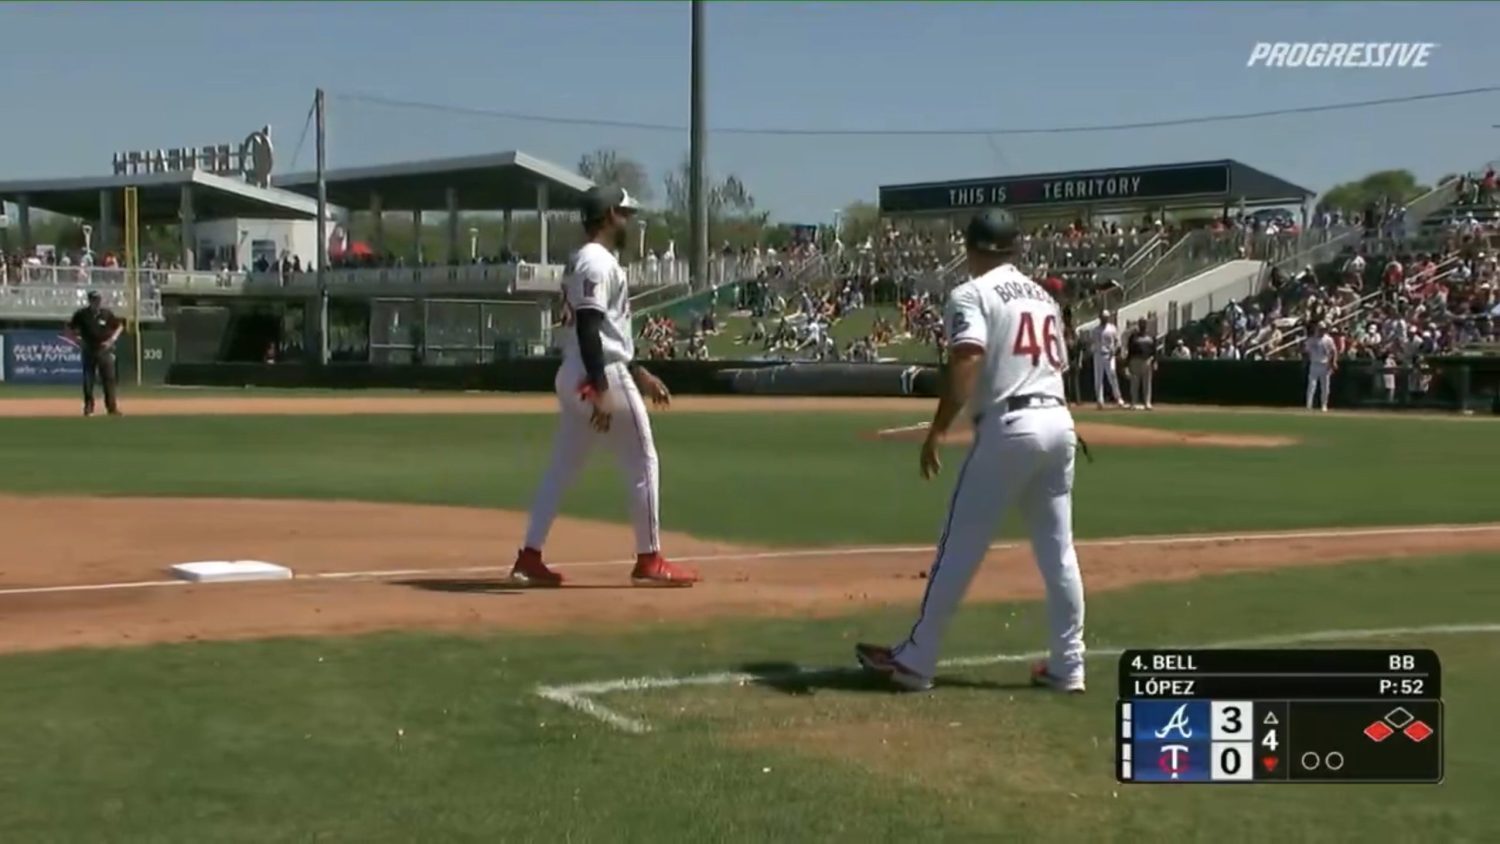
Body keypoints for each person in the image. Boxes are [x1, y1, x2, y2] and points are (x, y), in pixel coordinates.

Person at [855, 209, 1087, 694]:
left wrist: (938, 428)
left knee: (959, 545)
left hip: (1012, 427)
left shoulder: (972, 292)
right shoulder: (1043, 296)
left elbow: (968, 356)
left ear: (972, 247)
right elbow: (1058, 360)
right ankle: (1069, 666)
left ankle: (916, 661)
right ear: (1015, 249)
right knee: (1059, 553)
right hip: (1058, 419)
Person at [508, 186, 698, 588]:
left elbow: (603, 329)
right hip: (598, 371)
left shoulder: (586, 261)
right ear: (610, 214)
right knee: (643, 462)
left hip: (578, 370)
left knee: (561, 469)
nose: (628, 220)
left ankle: (529, 555)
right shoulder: (596, 262)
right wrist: (600, 387)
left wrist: (639, 372)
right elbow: (592, 329)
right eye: (625, 214)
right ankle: (650, 559)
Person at [66, 291, 123, 417]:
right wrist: (77, 341)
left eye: (98, 300)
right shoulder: (82, 314)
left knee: (109, 379)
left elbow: (119, 326)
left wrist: (111, 340)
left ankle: (112, 408)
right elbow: (69, 328)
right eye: (94, 300)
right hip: (89, 349)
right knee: (88, 379)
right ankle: (89, 407)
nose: (97, 303)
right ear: (90, 301)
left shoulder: (106, 314)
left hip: (104, 349)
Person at [1092, 310, 1126, 409]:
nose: (1104, 319)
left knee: (1112, 375)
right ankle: (1100, 400)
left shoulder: (1112, 328)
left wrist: (1114, 351)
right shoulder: (1095, 330)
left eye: (1106, 317)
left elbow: (1117, 342)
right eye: (1103, 317)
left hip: (1109, 355)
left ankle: (1118, 398)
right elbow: (1093, 343)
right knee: (1098, 378)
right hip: (1098, 355)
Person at [1304, 322, 1338, 412]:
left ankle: (1324, 405)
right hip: (1314, 364)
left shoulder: (1328, 339)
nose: (1322, 330)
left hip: (1325, 364)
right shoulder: (1311, 339)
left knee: (1325, 386)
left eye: (1323, 329)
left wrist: (1333, 362)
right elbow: (1306, 351)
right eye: (1320, 329)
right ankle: (1309, 405)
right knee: (1312, 385)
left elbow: (1334, 351)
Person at [1124, 317, 1156, 410]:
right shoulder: (1133, 336)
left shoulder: (1151, 336)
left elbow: (1154, 350)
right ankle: (1134, 402)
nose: (1143, 325)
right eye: (1141, 323)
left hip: (1147, 360)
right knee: (1134, 383)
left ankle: (1147, 403)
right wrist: (1127, 363)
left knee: (1147, 383)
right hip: (1135, 360)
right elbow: (1129, 350)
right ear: (1139, 324)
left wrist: (1154, 361)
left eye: (1144, 323)